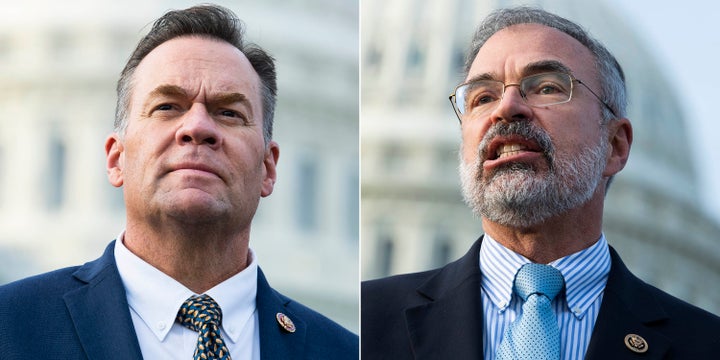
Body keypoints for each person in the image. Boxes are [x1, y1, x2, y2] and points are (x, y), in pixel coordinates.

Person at [0, 4, 357, 359]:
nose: (197, 128)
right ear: (115, 158)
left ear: (268, 168)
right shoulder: (10, 327)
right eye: (167, 107)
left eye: (229, 113)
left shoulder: (345, 351)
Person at [361, 6, 720, 359]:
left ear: (615, 145)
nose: (507, 107)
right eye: (483, 97)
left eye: (547, 87)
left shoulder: (706, 345)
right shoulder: (367, 326)